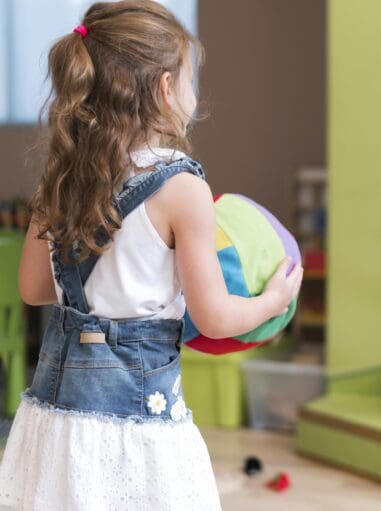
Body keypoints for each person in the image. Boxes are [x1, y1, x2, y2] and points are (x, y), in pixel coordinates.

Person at [0, 1, 303, 509]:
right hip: (138, 418)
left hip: (58, 415)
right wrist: (272, 301)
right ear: (166, 87)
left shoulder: (63, 175)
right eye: (190, 77)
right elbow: (214, 316)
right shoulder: (180, 187)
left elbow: (33, 289)